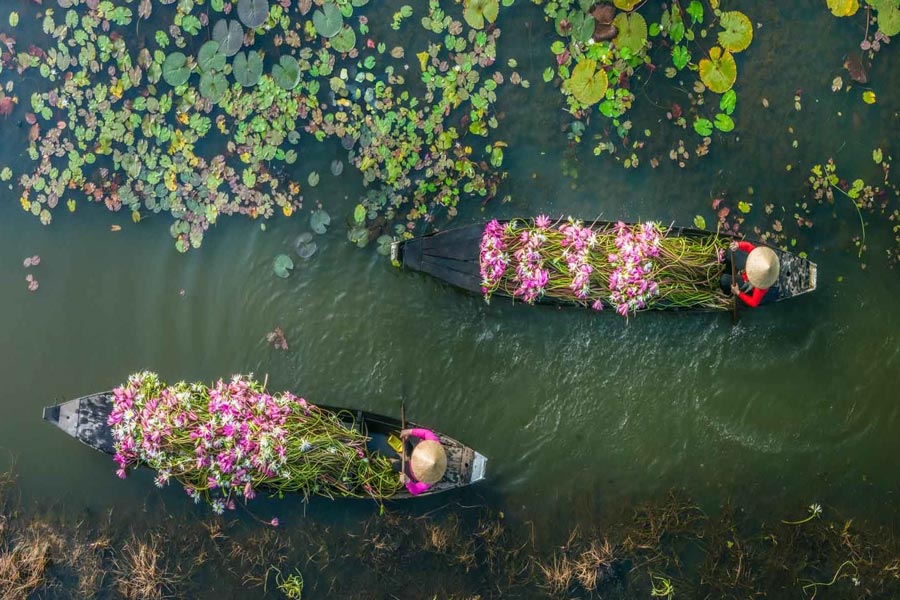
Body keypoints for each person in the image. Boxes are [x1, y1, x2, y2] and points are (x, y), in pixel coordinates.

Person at [721, 240, 780, 307]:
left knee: (724, 279)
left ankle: (726, 291)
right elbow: (749, 246)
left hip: (746, 280)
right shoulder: (759, 257)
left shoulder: (761, 286)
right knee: (730, 251)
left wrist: (738, 292)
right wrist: (738, 245)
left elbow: (754, 303)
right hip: (746, 268)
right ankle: (725, 263)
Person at [398, 428, 447, 496]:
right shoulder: (435, 444)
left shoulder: (428, 480)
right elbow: (426, 433)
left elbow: (415, 490)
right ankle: (408, 453)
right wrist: (409, 431)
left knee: (395, 465)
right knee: (410, 436)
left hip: (411, 470)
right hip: (419, 446)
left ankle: (406, 455)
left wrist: (408, 481)